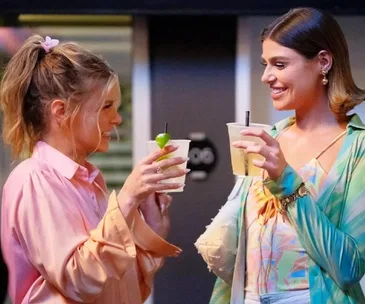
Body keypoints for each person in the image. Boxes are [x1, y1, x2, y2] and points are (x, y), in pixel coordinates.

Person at [0, 35, 189, 304]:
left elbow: (115, 286)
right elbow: (80, 281)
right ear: (61, 111)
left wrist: (152, 228)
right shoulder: (34, 180)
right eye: (106, 107)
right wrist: (126, 200)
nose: (117, 118)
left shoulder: (89, 180)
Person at [195, 7, 365, 304]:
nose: (266, 76)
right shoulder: (270, 138)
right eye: (265, 64)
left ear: (323, 62)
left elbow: (349, 267)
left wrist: (287, 182)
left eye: (280, 64)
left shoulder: (357, 148)